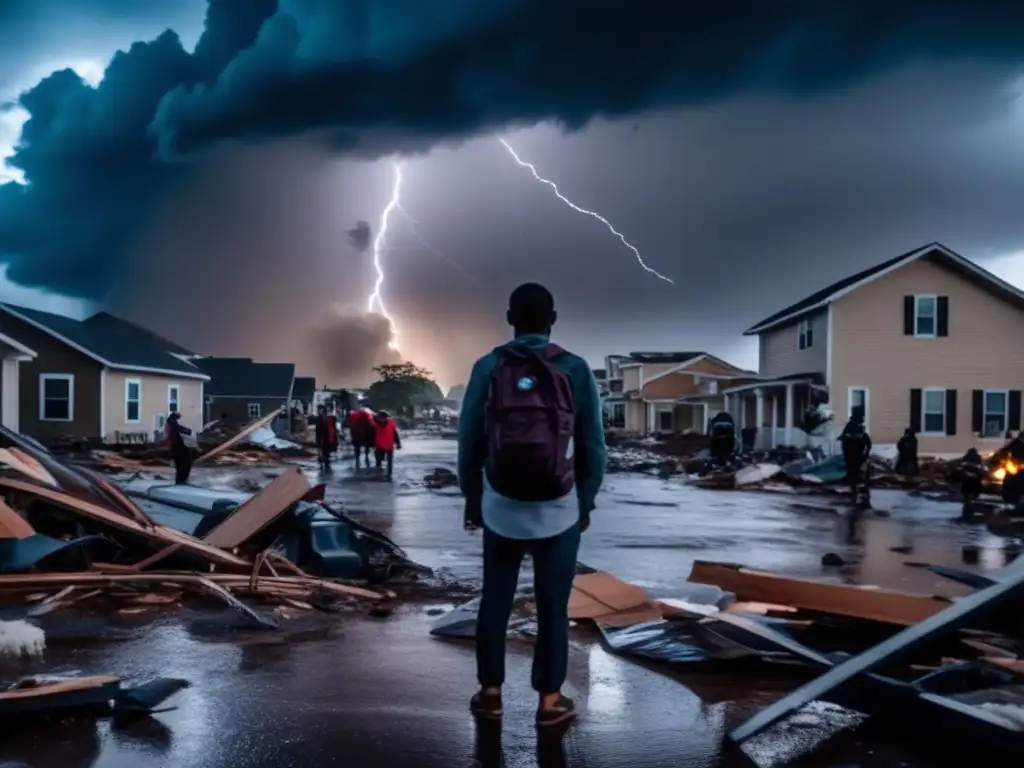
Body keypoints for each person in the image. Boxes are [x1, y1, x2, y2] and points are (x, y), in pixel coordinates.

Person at [458, 282, 606, 727]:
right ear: (553, 319)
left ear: (509, 319)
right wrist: (585, 501)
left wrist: (473, 497)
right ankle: (549, 702)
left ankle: (490, 694)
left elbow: (469, 440)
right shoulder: (575, 369)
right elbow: (593, 446)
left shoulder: (488, 366)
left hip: (500, 507)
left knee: (495, 602)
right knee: (552, 608)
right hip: (559, 508)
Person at [838, 406, 872, 510]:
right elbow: (844, 440)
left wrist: (866, 452)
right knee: (854, 474)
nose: (863, 418)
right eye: (861, 416)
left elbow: (867, 442)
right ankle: (855, 493)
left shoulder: (860, 428)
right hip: (852, 455)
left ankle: (858, 492)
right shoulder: (851, 427)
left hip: (858, 455)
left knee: (861, 473)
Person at [164, 410, 194, 485]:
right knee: (184, 464)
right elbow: (180, 429)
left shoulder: (171, 424)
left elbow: (180, 429)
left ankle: (180, 480)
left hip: (175, 448)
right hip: (177, 448)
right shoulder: (172, 424)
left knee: (181, 465)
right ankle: (181, 481)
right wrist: (188, 431)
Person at [372, 410, 401, 480]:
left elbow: (395, 434)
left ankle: (389, 475)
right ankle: (379, 474)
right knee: (378, 461)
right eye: (379, 418)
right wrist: (372, 445)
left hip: (389, 445)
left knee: (389, 461)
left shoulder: (390, 423)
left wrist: (398, 443)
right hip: (379, 446)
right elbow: (371, 435)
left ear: (385, 418)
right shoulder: (374, 424)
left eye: (382, 418)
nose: (381, 419)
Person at [959, 447, 985, 519]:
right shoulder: (969, 458)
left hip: (972, 482)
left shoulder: (976, 458)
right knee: (970, 497)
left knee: (970, 497)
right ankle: (969, 508)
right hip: (970, 482)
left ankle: (969, 508)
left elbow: (980, 469)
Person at [314, 405, 338, 472]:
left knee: (325, 451)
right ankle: (324, 463)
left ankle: (325, 463)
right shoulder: (322, 418)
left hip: (326, 437)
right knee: (324, 451)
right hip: (325, 437)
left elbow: (318, 429)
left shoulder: (327, 419)